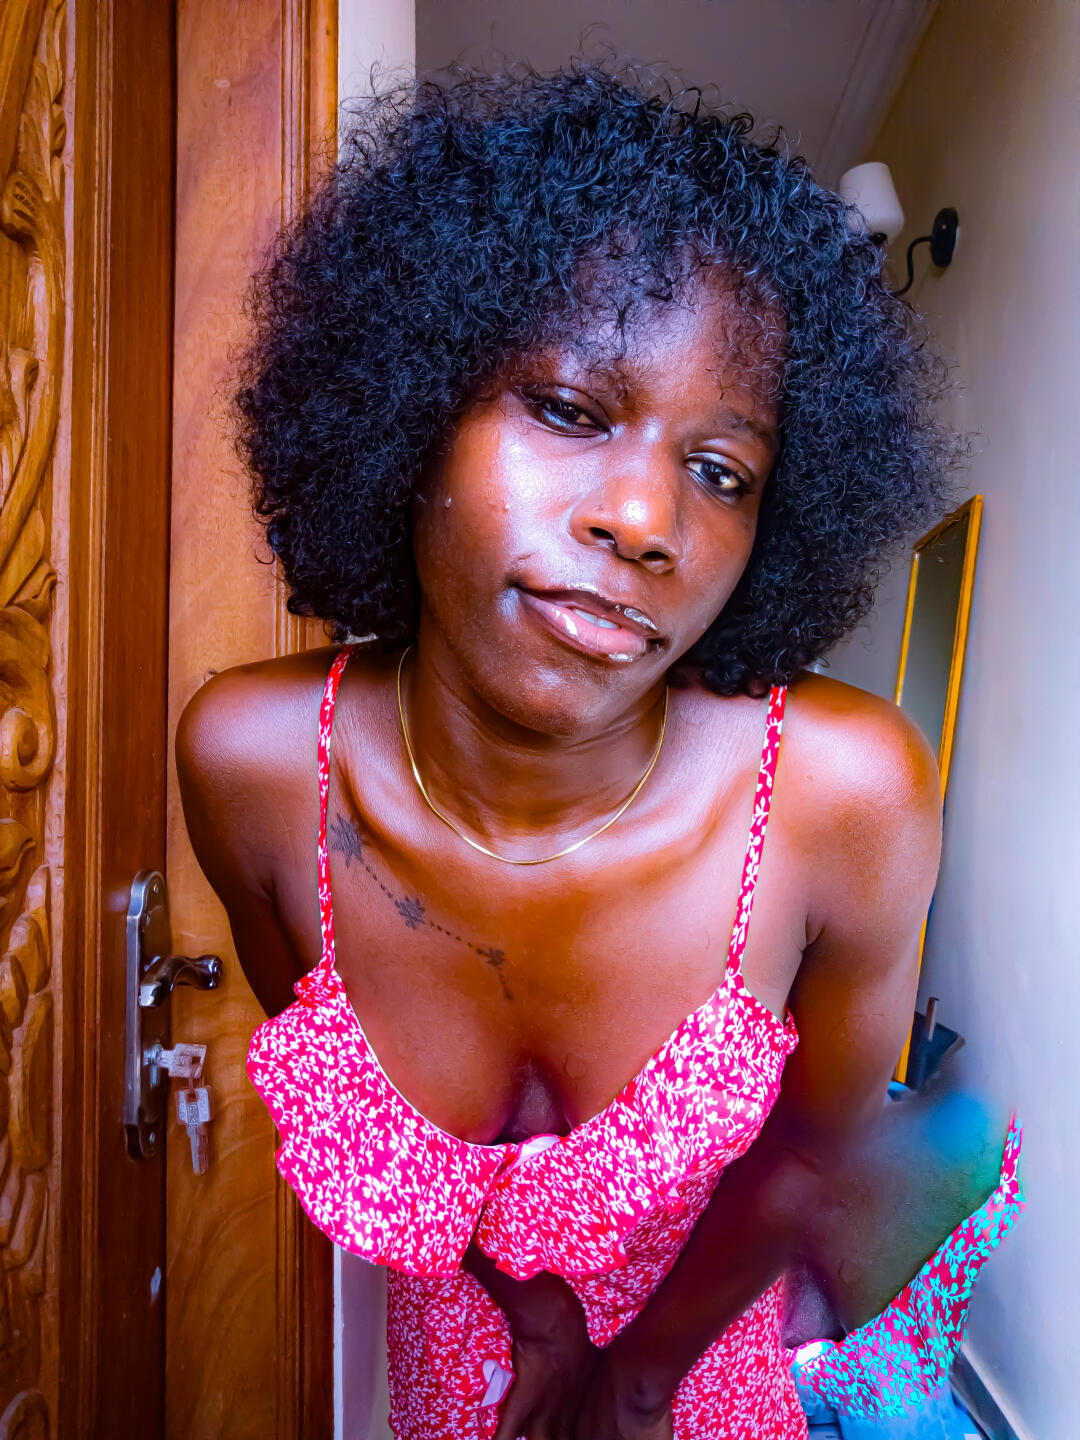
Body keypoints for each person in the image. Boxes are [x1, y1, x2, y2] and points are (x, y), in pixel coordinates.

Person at [176, 66, 1019, 1440]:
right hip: (459, 1366)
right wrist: (531, 1323)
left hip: (702, 1365)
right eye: (569, 409)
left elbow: (820, 1153)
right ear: (410, 413)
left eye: (721, 472)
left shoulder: (837, 792)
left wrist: (634, 1377)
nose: (642, 519)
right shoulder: (256, 766)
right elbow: (337, 1074)